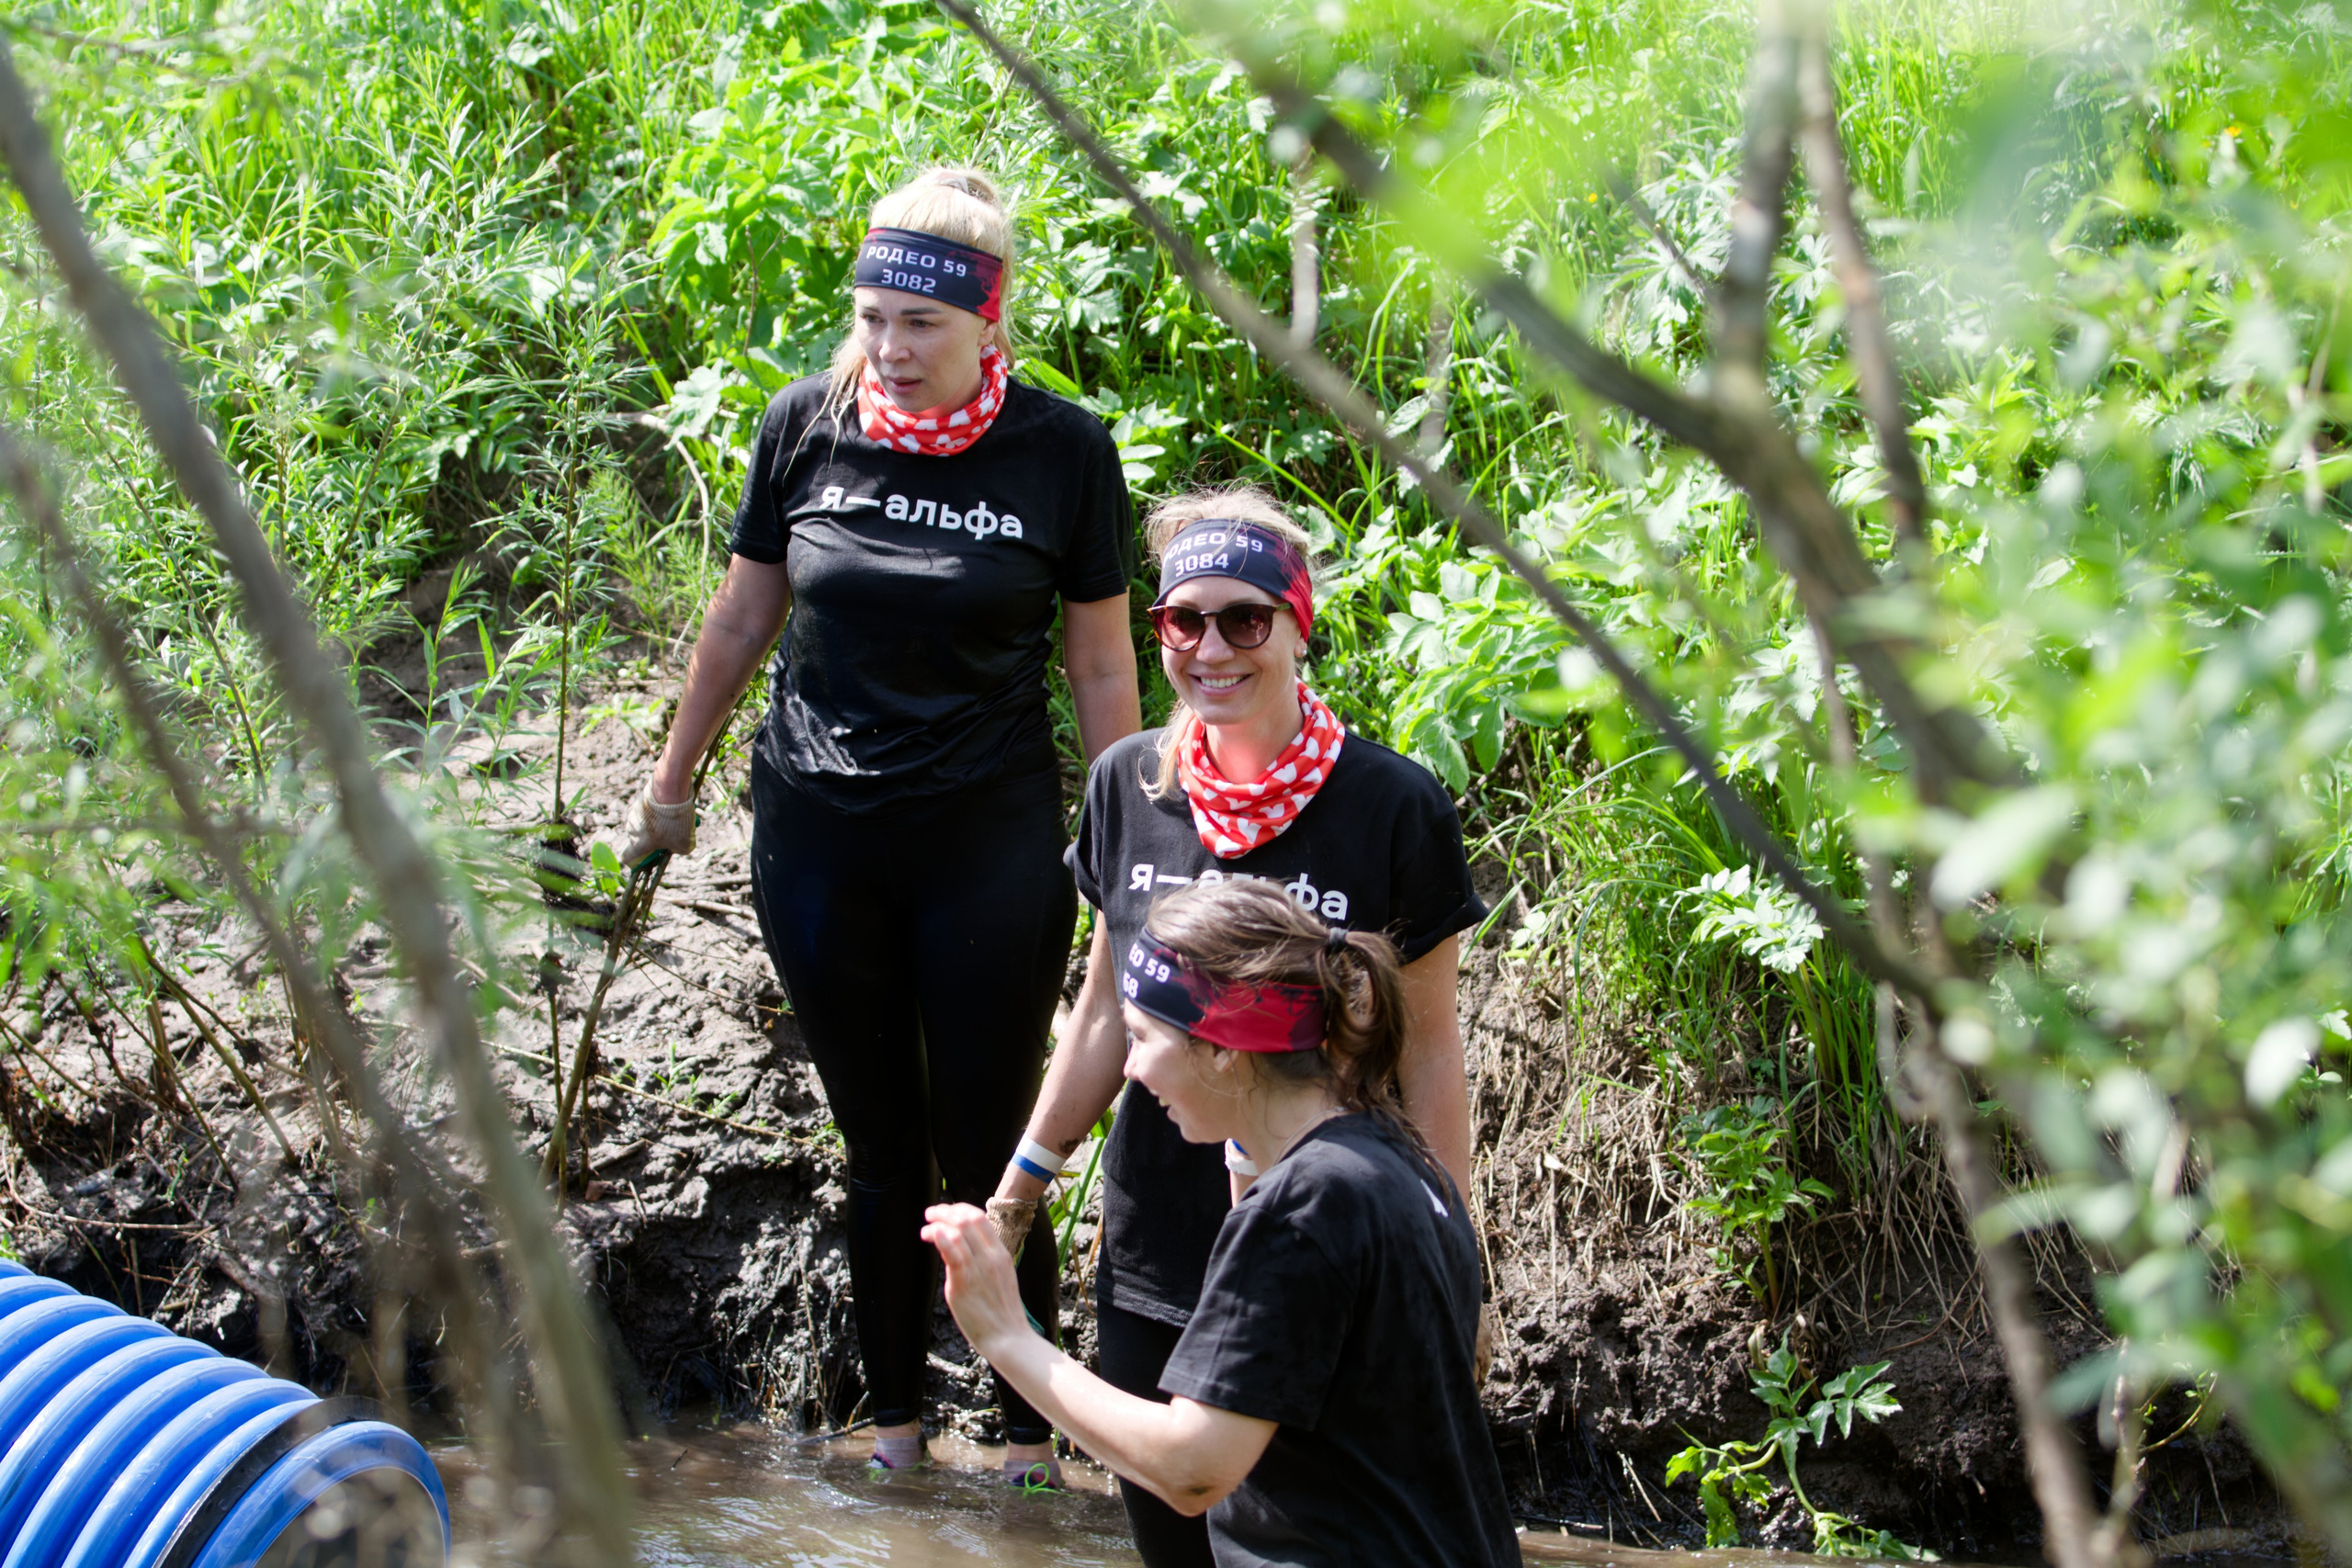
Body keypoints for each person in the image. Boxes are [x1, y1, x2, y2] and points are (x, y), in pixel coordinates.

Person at [618, 166, 1141, 1485]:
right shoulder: (805, 424)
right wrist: (669, 784)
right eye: (873, 318)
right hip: (818, 833)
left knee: (988, 1137)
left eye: (922, 326)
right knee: (877, 1141)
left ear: (988, 319)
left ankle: (1030, 1439)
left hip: (990, 836)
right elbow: (742, 617)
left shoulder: (1063, 451)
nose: (892, 351)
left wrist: (1138, 825)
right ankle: (897, 1432)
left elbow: (1098, 667)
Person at [988, 485, 1486, 1561]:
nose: (1210, 647)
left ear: (1297, 626)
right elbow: (1103, 1012)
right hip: (1162, 1245)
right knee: (1174, 1524)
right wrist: (1024, 1181)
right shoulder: (1130, 786)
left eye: (1244, 619)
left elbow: (1433, 1045)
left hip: (1331, 1250)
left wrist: (1457, 1254)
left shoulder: (1393, 806)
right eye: (1181, 620)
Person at [928, 879, 1519, 1567]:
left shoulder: (1298, 1213)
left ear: (1223, 1048)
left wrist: (1005, 1335)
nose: (1130, 1066)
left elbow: (1193, 1468)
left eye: (1144, 1037)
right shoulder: (1401, 1160)